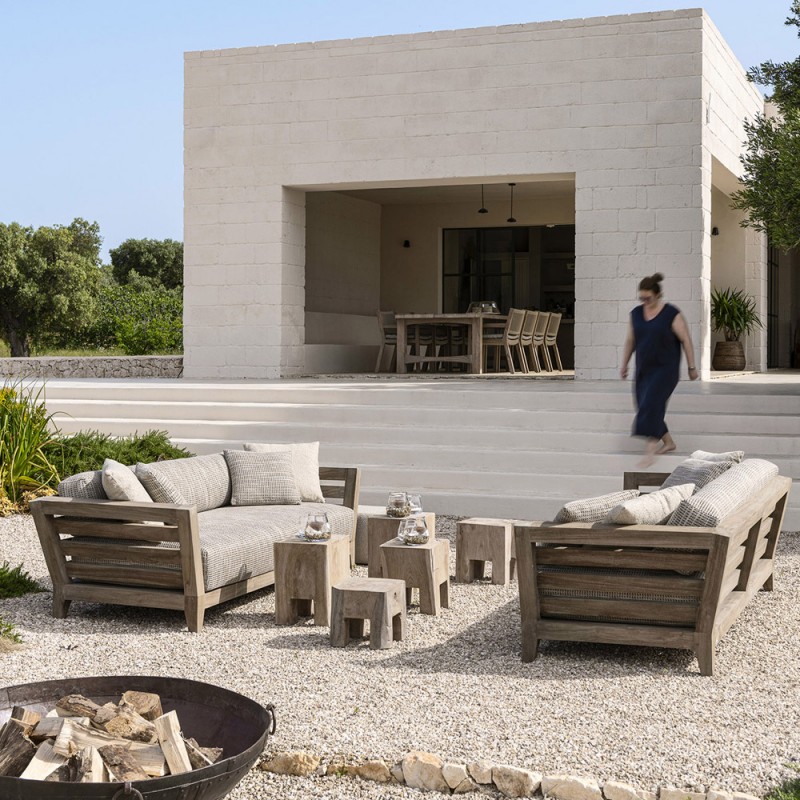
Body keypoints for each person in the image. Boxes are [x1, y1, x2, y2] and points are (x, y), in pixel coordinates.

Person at [620, 273, 698, 467]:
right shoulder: (635, 314)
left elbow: (686, 340)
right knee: (643, 405)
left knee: (652, 404)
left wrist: (691, 367)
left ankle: (650, 452)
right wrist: (624, 364)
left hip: (665, 370)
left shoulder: (671, 314)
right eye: (641, 298)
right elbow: (630, 341)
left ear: (658, 295)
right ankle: (669, 442)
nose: (644, 302)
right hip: (644, 370)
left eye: (648, 298)